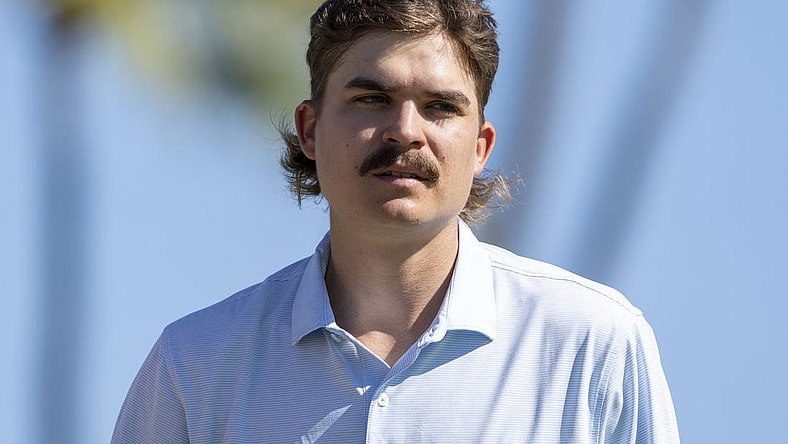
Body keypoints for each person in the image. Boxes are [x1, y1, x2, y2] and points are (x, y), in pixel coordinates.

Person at [111, 0, 679, 442]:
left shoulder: (593, 345)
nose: (406, 131)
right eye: (371, 98)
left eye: (440, 107)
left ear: (480, 147)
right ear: (309, 130)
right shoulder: (196, 365)